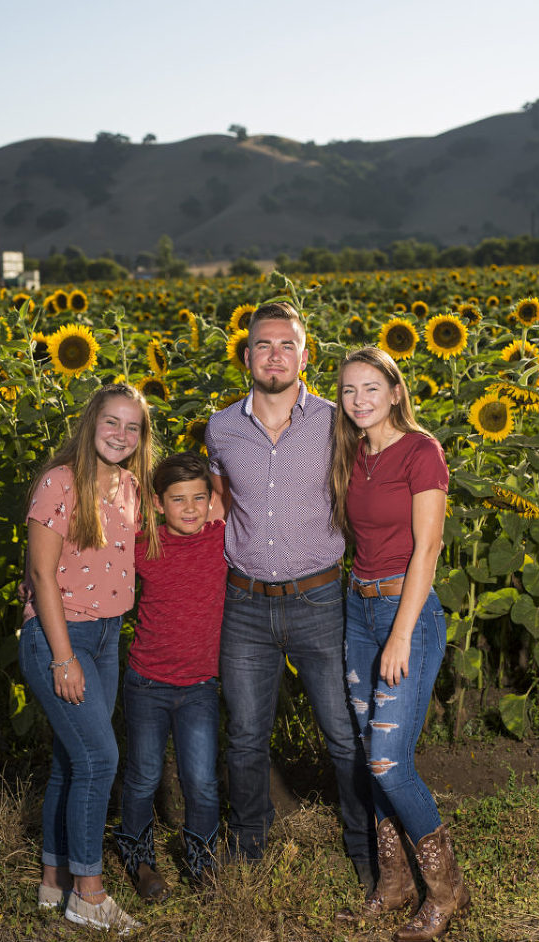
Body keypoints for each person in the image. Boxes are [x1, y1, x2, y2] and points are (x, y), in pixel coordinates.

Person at [204, 301, 377, 892]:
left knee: (342, 731)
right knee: (246, 736)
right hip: (245, 604)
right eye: (263, 345)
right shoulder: (221, 427)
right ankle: (248, 847)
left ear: (305, 357)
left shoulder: (336, 422)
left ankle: (365, 847)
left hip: (320, 599)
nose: (274, 355)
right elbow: (214, 510)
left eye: (287, 345)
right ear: (246, 355)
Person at [330, 346, 470, 942]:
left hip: (402, 613)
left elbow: (429, 548)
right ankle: (394, 884)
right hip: (357, 608)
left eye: (370, 389)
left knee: (390, 760)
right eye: (347, 391)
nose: (358, 401)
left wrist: (402, 634)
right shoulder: (353, 454)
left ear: (394, 391)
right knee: (371, 756)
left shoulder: (422, 451)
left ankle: (446, 889)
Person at [18, 382, 157, 935]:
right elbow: (41, 576)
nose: (121, 435)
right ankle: (90, 895)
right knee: (100, 759)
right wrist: (61, 658)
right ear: (90, 424)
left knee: (71, 762)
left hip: (105, 636)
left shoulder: (129, 486)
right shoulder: (60, 482)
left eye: (133, 427)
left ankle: (53, 882)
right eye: (112, 423)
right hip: (61, 636)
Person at [114, 452, 228, 898]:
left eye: (199, 498)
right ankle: (139, 861)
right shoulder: (145, 544)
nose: (190, 509)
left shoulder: (222, 540)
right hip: (147, 682)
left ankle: (201, 861)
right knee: (143, 776)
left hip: (200, 685)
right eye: (178, 499)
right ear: (158, 503)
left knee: (200, 780)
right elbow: (93, 561)